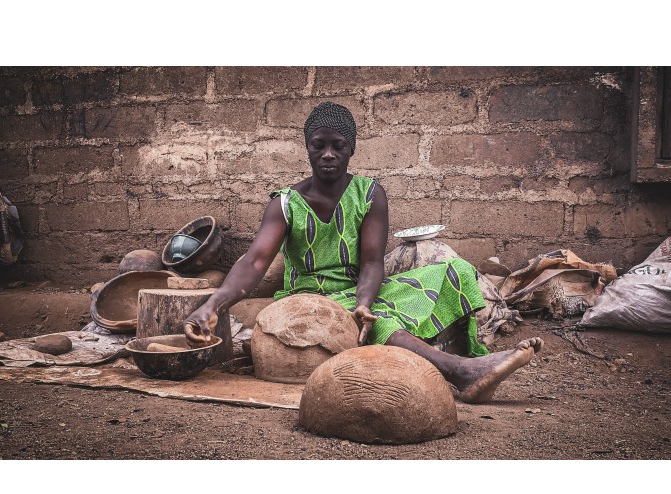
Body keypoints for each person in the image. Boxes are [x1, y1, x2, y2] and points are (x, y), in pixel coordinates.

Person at [184, 101, 543, 403]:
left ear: (351, 148)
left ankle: (448, 349)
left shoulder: (370, 194)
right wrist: (213, 304)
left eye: (337, 146)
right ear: (306, 147)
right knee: (380, 324)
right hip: (310, 302)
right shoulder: (285, 203)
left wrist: (364, 303)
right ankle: (460, 373)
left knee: (455, 271)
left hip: (361, 291)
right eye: (318, 145)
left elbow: (372, 262)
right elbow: (254, 261)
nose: (327, 155)